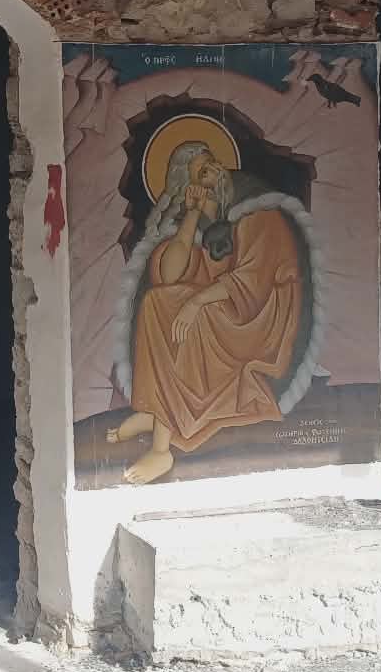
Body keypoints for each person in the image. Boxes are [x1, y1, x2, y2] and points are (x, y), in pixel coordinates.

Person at [107, 141, 302, 484]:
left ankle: (161, 448)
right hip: (222, 308)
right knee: (156, 303)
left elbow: (252, 281)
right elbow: (169, 276)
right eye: (198, 176)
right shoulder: (204, 220)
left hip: (258, 317)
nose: (209, 175)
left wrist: (195, 303)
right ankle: (163, 413)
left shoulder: (257, 208)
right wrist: (193, 214)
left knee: (180, 311)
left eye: (211, 165)